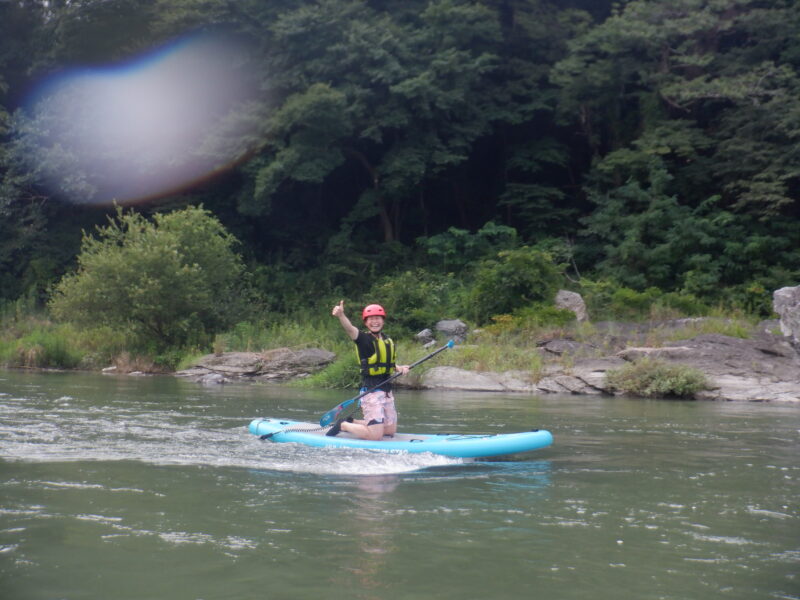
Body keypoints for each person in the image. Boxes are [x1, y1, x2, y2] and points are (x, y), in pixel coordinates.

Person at [327, 300, 409, 440]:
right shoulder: (363, 339)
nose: (374, 322)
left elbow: (386, 363)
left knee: (389, 430)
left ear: (383, 321)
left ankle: (352, 422)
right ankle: (343, 425)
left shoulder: (387, 340)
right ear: (366, 323)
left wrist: (398, 368)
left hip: (386, 390)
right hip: (372, 390)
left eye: (377, 318)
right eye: (371, 319)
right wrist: (341, 316)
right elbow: (350, 329)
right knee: (375, 436)